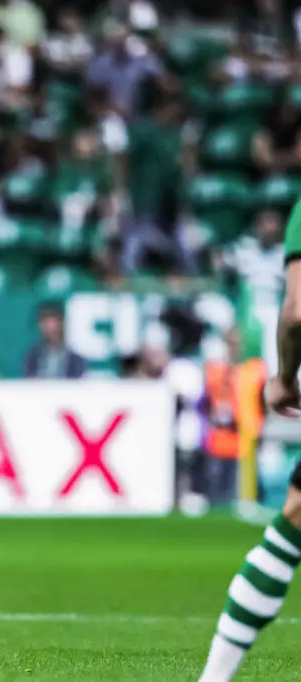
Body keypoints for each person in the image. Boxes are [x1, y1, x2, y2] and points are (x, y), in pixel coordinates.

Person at [197, 195, 301, 682]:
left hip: (271, 364)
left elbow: (295, 312)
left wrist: (283, 377)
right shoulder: (245, 259)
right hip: (254, 363)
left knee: (292, 517)